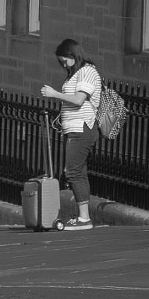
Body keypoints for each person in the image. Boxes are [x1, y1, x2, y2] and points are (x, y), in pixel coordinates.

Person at [40, 38, 104, 231]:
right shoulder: (76, 73)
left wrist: (55, 94)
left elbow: (78, 100)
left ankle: (84, 218)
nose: (63, 65)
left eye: (64, 61)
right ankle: (83, 217)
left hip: (83, 128)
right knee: (79, 172)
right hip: (74, 128)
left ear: (73, 55)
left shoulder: (87, 72)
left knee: (73, 171)